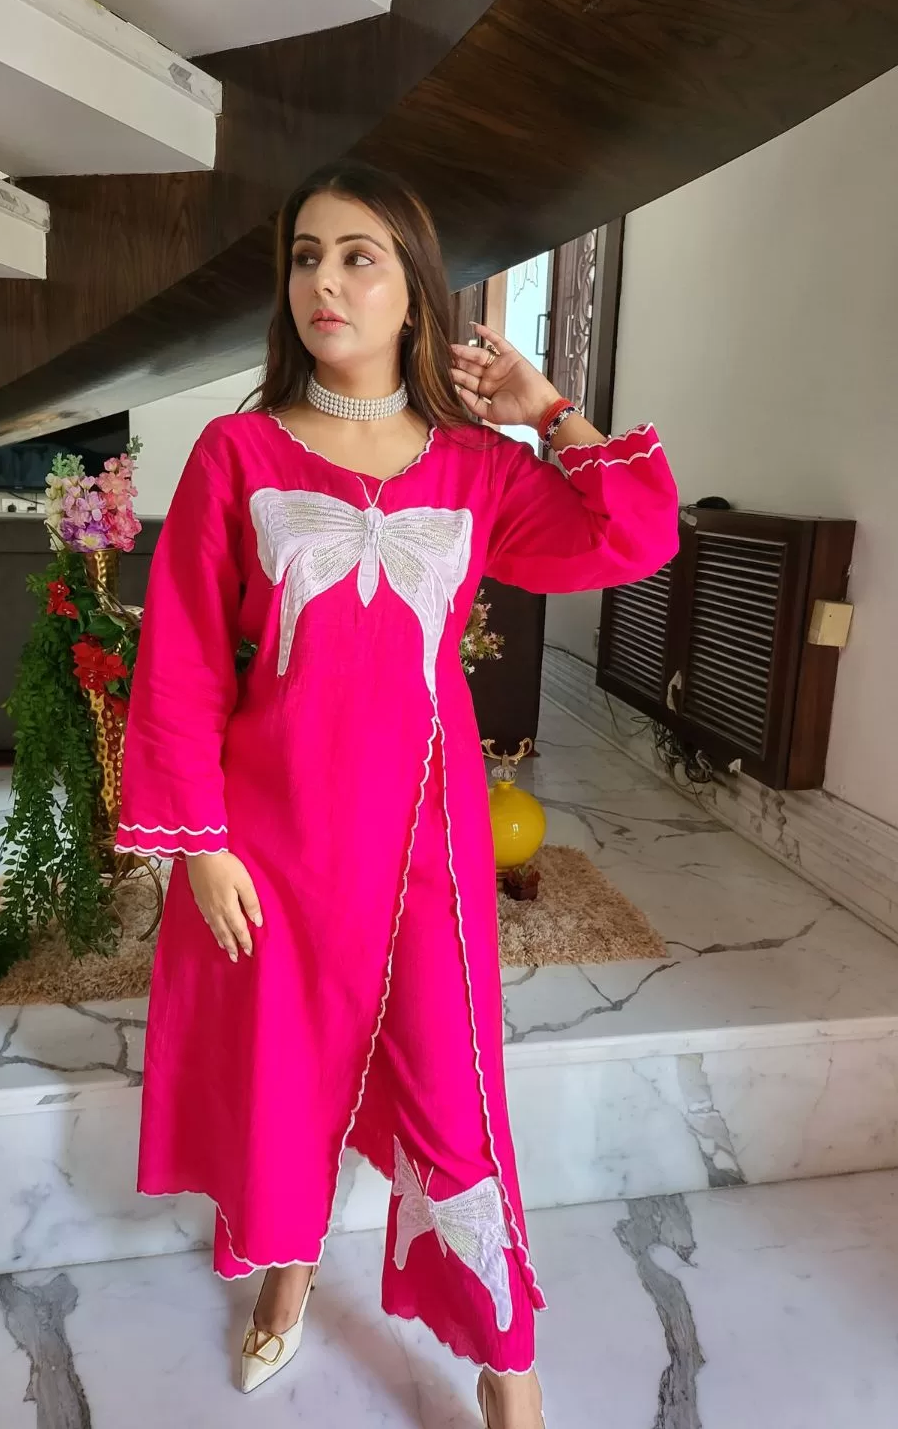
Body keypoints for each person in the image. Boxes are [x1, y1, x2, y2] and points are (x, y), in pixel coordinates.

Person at [116, 162, 679, 1429]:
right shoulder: (236, 452)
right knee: (286, 1067)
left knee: (453, 1088)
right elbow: (184, 660)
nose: (324, 282)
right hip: (272, 839)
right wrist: (199, 844)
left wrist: (550, 412)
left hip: (426, 840)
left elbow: (631, 536)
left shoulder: (477, 468)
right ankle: (286, 1272)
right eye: (306, 256)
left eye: (358, 256)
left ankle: (506, 1366)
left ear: (415, 294)